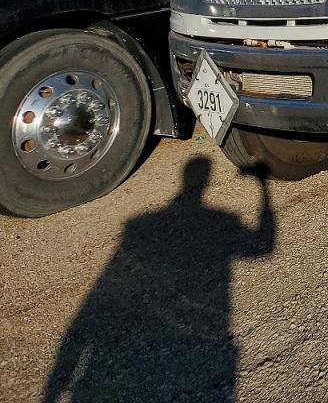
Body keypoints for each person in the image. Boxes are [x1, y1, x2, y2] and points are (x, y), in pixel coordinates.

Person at [42, 157, 275, 403]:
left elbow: (102, 288)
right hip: (203, 338)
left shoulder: (138, 225)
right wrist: (263, 187)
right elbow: (264, 245)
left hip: (132, 356)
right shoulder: (224, 221)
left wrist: (55, 384)